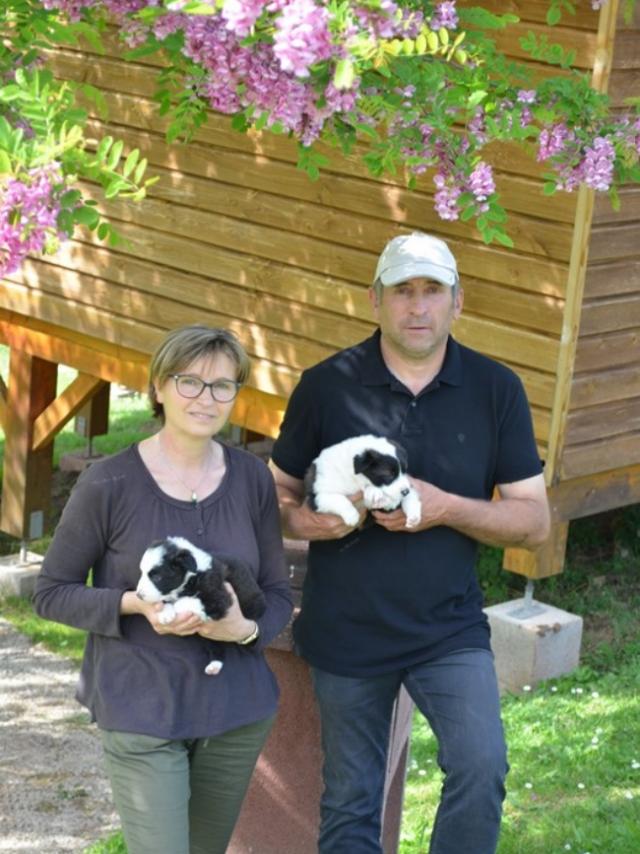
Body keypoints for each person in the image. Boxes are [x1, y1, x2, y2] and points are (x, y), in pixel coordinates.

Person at [269, 232, 550, 854]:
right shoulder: (326, 384)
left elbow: (534, 522)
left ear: (458, 301)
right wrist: (311, 522)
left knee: (482, 769)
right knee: (350, 802)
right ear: (375, 300)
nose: (417, 307)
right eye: (402, 291)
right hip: (346, 628)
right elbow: (273, 497)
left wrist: (445, 508)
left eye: (432, 291)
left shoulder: (494, 388)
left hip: (447, 628)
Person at [34, 324, 293, 854]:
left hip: (235, 714)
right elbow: (52, 591)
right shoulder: (108, 483)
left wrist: (245, 630)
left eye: (224, 385)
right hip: (143, 708)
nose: (207, 397)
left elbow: (276, 593)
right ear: (157, 387)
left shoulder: (252, 479)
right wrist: (137, 604)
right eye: (190, 382)